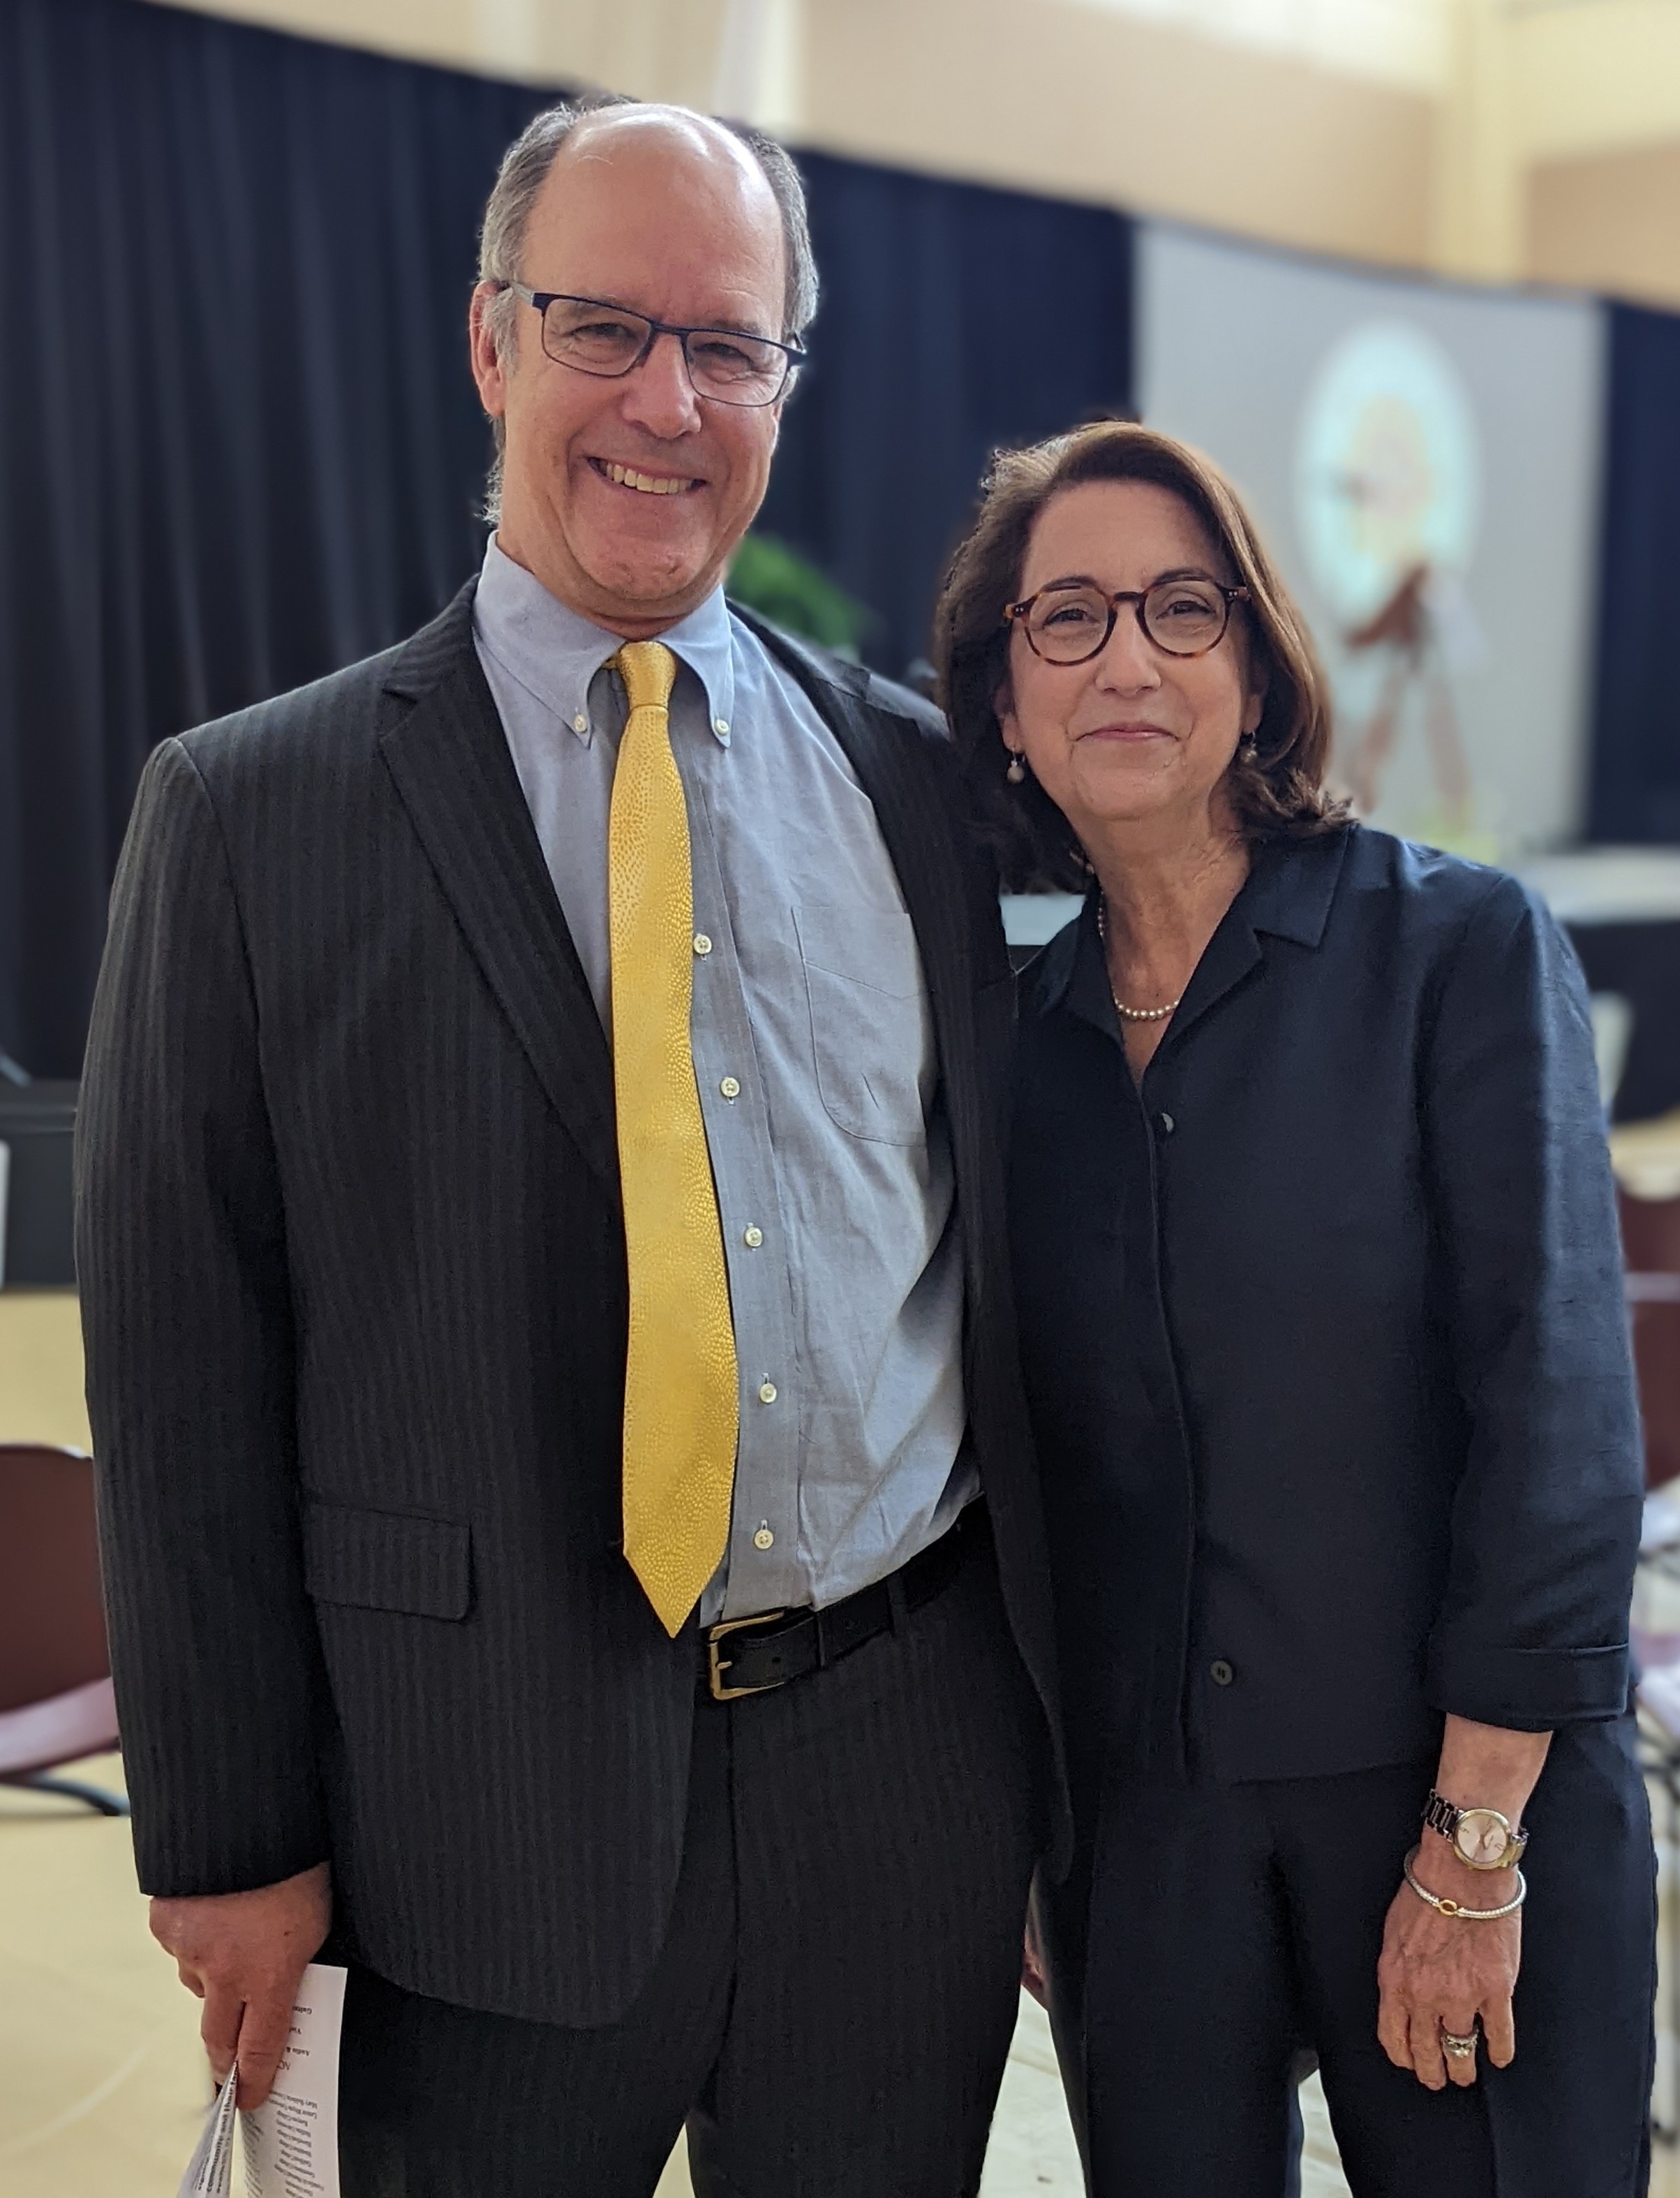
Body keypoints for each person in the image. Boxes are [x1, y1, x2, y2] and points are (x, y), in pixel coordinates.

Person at [75, 95, 1061, 2198]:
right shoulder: (251, 814)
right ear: (488, 343)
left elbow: (990, 1271)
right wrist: (230, 1841)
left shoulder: (907, 782)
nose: (665, 401)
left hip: (898, 1781)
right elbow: (178, 1381)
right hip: (469, 1819)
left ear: (786, 386)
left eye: (729, 346)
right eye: (603, 325)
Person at [932, 419, 1657, 2196]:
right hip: (1150, 1839)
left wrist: (1472, 1844)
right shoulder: (1007, 1050)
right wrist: (1047, 1843)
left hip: (1453, 1806)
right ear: (1004, 706)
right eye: (1069, 618)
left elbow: (1555, 1421)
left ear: (1254, 672)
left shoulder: (1455, 954)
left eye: (1183, 611)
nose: (1124, 657)